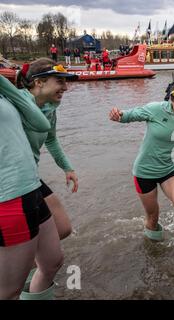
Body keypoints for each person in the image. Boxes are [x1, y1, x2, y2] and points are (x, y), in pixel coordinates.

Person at [109, 74, 174, 256]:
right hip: (144, 172)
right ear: (170, 100)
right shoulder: (155, 109)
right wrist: (119, 115)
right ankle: (153, 249)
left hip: (169, 170)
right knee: (152, 217)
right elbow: (132, 114)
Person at [13, 59, 79, 298]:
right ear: (39, 82)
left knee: (63, 227)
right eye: (59, 81)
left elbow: (50, 139)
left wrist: (67, 167)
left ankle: (30, 270)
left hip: (31, 177)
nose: (65, 87)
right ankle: (23, 273)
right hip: (12, 185)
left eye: (66, 82)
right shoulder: (14, 105)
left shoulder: (50, 109)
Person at [0, 74, 62, 300]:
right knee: (8, 292)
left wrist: (4, 83)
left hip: (30, 187)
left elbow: (41, 123)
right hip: (9, 196)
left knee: (52, 262)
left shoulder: (5, 93)